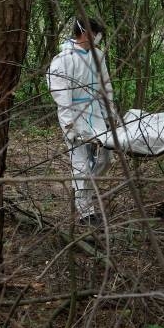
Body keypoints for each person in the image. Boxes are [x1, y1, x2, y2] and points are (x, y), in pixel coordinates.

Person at [47, 17, 118, 226]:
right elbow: (61, 94)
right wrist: (69, 125)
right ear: (86, 33)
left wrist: (110, 114)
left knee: (106, 159)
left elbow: (105, 86)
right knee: (80, 166)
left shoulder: (98, 56)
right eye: (96, 33)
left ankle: (86, 191)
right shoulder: (63, 59)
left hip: (97, 114)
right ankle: (85, 212)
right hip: (75, 114)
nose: (98, 38)